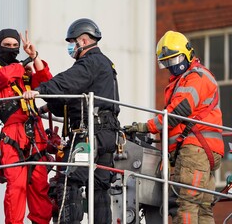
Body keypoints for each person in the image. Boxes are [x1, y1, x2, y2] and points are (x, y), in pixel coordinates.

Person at [23, 18, 121, 224]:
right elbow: (77, 97)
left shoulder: (90, 63)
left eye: (72, 42)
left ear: (83, 41)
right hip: (106, 135)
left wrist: (41, 90)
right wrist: (48, 106)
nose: (71, 47)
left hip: (88, 138)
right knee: (100, 185)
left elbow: (67, 82)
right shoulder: (104, 64)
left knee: (70, 179)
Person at [124, 30, 224, 224]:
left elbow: (177, 112)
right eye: (167, 62)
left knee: (184, 204)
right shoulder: (193, 77)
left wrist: (145, 127)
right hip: (204, 151)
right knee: (202, 209)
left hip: (194, 150)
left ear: (187, 54)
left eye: (174, 60)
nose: (171, 66)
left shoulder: (195, 78)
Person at [0, 28, 53, 224]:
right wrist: (23, 65)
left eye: (15, 46)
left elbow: (48, 83)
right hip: (13, 135)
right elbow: (1, 78)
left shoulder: (24, 71)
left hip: (35, 133)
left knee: (40, 187)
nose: (12, 49)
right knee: (16, 189)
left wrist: (34, 57)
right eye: (7, 46)